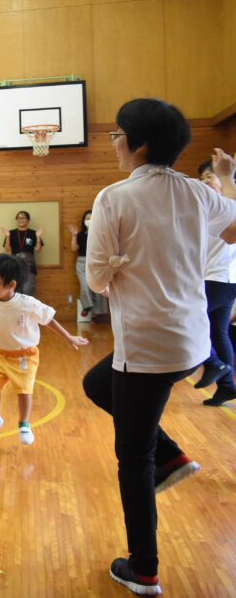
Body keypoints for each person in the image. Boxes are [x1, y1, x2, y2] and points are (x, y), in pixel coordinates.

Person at [81, 99, 236, 596]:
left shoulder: (113, 198)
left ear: (139, 143)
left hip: (145, 351)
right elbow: (234, 227)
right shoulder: (197, 192)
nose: (113, 141)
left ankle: (144, 570)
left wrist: (124, 266)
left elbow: (98, 279)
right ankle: (170, 456)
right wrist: (227, 177)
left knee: (133, 457)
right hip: (191, 344)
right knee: (94, 382)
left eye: (116, 133)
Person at [0, 254, 88, 446]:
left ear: (11, 284)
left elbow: (48, 320)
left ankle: (24, 423)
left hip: (25, 356)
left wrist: (68, 336)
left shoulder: (27, 303)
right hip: (1, 354)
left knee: (24, 391)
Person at [193, 159, 236, 405]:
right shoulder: (210, 208)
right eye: (202, 178)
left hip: (219, 278)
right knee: (218, 332)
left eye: (209, 176)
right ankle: (227, 387)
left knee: (186, 318)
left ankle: (213, 363)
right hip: (220, 279)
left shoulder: (226, 206)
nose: (204, 181)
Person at [68, 210, 108, 322]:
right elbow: (74, 248)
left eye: (91, 218)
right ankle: (87, 306)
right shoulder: (80, 234)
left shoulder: (100, 233)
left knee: (98, 285)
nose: (89, 221)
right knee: (85, 285)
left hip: (97, 261)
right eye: (87, 218)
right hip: (82, 261)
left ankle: (98, 313)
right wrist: (74, 236)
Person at [1, 210, 43, 296]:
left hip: (29, 266)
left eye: (24, 218)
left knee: (28, 290)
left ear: (28, 220)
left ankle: (28, 309)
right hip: (15, 265)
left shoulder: (33, 233)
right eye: (19, 218)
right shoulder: (11, 233)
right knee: (16, 291)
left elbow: (38, 249)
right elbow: (7, 249)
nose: (21, 220)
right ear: (16, 220)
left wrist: (38, 237)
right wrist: (8, 237)